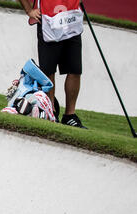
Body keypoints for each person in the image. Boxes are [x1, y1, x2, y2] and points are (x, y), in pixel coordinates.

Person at [18, 0, 87, 128]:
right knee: (48, 70)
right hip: (48, 20)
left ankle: (70, 116)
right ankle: (51, 112)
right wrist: (29, 10)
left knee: (75, 69)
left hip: (72, 18)